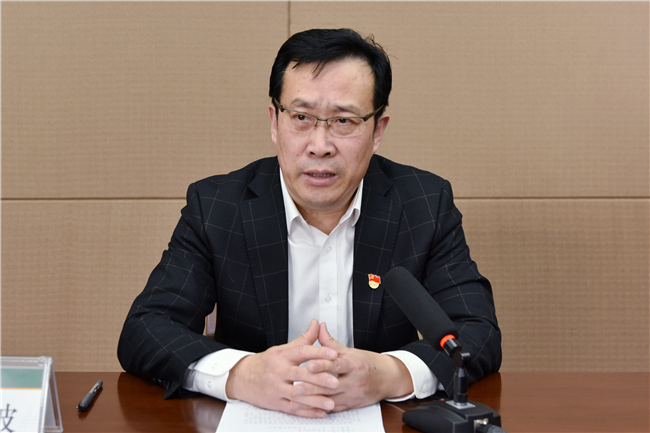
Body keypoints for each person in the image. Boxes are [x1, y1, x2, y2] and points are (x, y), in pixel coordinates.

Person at [117, 28, 501, 419]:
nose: (320, 145)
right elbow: (145, 330)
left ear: (378, 130)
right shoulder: (218, 207)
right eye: (301, 117)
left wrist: (388, 374)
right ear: (274, 122)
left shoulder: (423, 204)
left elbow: (478, 331)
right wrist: (242, 374)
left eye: (344, 120)